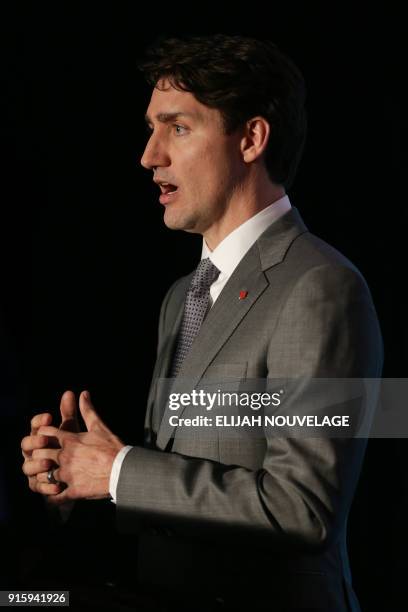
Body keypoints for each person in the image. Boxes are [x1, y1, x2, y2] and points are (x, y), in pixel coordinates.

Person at [21, 34, 383, 611]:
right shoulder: (180, 297)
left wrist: (118, 473)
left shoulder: (324, 288)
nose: (149, 155)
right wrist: (76, 477)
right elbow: (180, 493)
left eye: (178, 128)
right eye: (151, 128)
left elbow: (303, 510)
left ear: (252, 139)